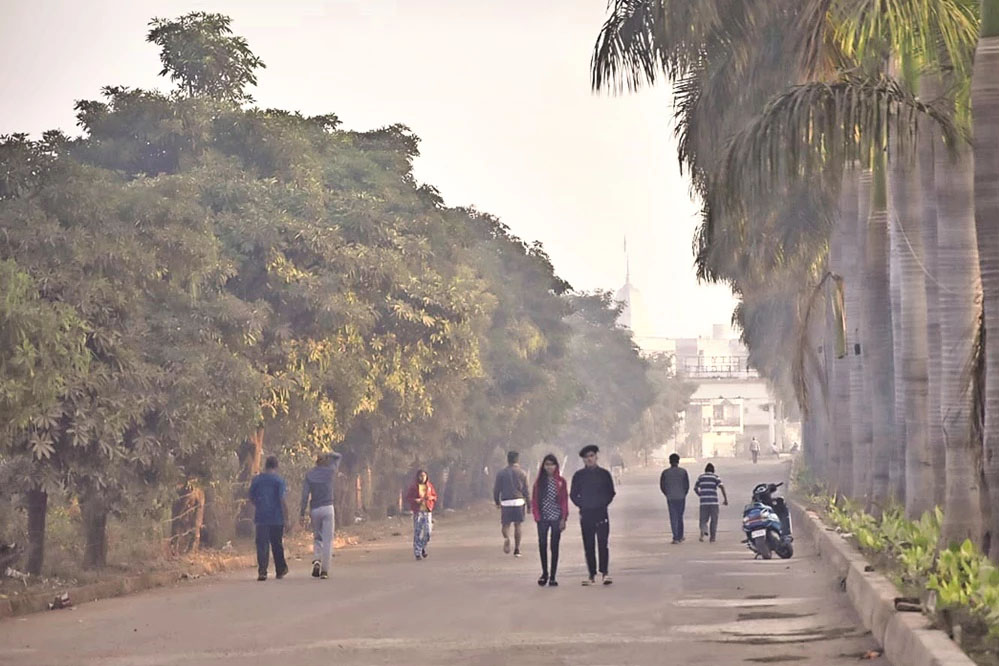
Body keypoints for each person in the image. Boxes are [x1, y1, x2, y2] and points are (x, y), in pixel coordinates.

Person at [570, 444, 616, 586]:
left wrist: (602, 503)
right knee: (589, 545)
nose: (589, 459)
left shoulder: (604, 474)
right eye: (586, 457)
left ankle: (605, 572)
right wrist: (582, 505)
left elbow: (611, 492)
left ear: (596, 457)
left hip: (601, 513)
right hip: (586, 514)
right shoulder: (579, 476)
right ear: (583, 459)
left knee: (603, 543)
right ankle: (591, 574)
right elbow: (573, 494)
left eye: (591, 456)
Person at [300, 451, 342, 579]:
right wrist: (329, 454)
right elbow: (338, 456)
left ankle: (317, 559)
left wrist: (302, 512)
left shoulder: (310, 474)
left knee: (318, 537)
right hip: (328, 508)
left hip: (315, 509)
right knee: (328, 540)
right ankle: (324, 571)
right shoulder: (330, 472)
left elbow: (305, 495)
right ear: (326, 461)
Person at [249, 455, 290, 581]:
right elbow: (282, 499)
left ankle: (262, 571)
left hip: (261, 517)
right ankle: (280, 570)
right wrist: (286, 517)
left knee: (262, 544)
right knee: (277, 543)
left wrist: (259, 505)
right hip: (276, 517)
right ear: (276, 466)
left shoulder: (257, 480)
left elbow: (251, 497)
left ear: (265, 465)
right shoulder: (279, 481)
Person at [531, 453, 568, 587]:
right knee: (542, 544)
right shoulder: (538, 483)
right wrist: (537, 516)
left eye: (552, 464)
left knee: (554, 546)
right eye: (547, 464)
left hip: (556, 518)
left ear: (556, 466)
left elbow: (564, 501)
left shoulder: (561, 482)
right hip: (542, 518)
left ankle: (553, 576)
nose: (549, 467)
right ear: (543, 466)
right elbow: (534, 500)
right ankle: (544, 573)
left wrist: (563, 518)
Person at [494, 451, 530, 556]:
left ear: (508, 460)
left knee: (505, 524)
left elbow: (496, 489)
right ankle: (517, 549)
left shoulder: (501, 473)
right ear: (517, 460)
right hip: (519, 501)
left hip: (506, 502)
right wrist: (529, 505)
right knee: (518, 525)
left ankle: (506, 538)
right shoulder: (522, 473)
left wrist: (497, 501)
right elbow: (526, 490)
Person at [405, 470, 437, 560]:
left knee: (428, 532)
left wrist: (431, 497)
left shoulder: (429, 486)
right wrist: (415, 500)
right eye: (421, 476)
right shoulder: (414, 487)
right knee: (418, 532)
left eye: (424, 476)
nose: (422, 478)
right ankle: (417, 552)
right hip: (418, 512)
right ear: (417, 477)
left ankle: (422, 547)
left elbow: (435, 496)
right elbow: (408, 498)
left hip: (427, 511)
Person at [659, 453, 690, 544]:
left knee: (673, 517)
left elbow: (662, 486)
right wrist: (683, 494)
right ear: (678, 461)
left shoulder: (665, 473)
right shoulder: (683, 472)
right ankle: (680, 536)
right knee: (680, 516)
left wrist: (667, 494)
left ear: (669, 461)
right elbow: (686, 485)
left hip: (671, 497)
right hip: (681, 497)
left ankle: (675, 537)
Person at [693, 463, 728, 543]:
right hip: (714, 502)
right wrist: (725, 499)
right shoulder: (715, 477)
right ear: (713, 470)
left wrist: (700, 495)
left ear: (705, 470)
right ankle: (712, 538)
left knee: (703, 520)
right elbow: (722, 487)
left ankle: (704, 530)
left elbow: (695, 488)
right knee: (714, 520)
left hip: (703, 502)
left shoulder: (701, 477)